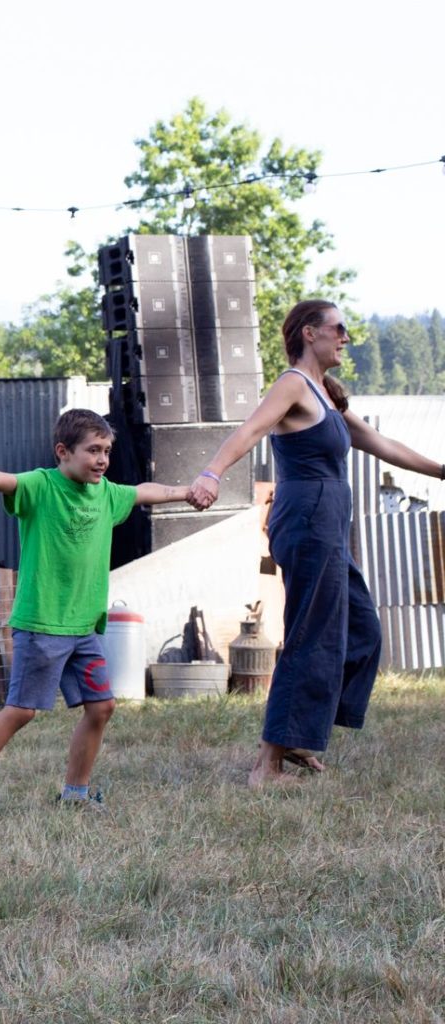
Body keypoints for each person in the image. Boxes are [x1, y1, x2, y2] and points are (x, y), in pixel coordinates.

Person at [187, 300, 443, 787]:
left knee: (363, 629)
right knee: (310, 635)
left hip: (329, 523)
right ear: (310, 333)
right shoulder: (292, 385)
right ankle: (267, 765)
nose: (346, 337)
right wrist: (211, 473)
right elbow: (251, 429)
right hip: (307, 519)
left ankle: (301, 733)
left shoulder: (326, 394)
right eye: (338, 328)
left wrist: (443, 471)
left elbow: (383, 444)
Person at [0, 409, 194, 831]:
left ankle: (75, 795)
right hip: (43, 625)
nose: (102, 460)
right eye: (93, 450)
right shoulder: (41, 487)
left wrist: (186, 491)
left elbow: (144, 492)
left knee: (101, 707)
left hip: (84, 628)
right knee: (21, 712)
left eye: (107, 451)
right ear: (63, 452)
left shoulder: (106, 494)